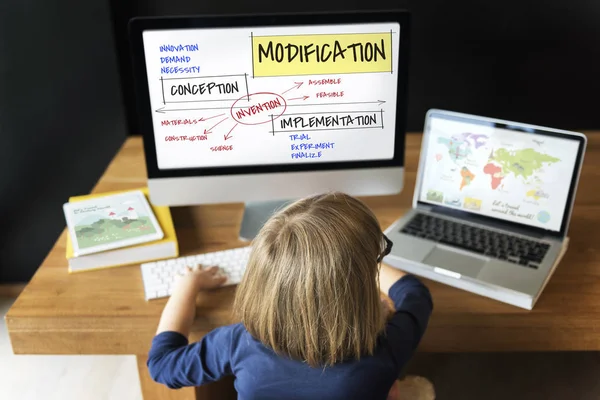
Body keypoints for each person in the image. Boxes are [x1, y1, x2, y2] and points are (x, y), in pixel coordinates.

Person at [147, 192, 434, 399]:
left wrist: (187, 286)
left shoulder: (239, 343)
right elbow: (415, 295)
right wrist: (362, 261)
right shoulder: (385, 351)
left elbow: (162, 365)